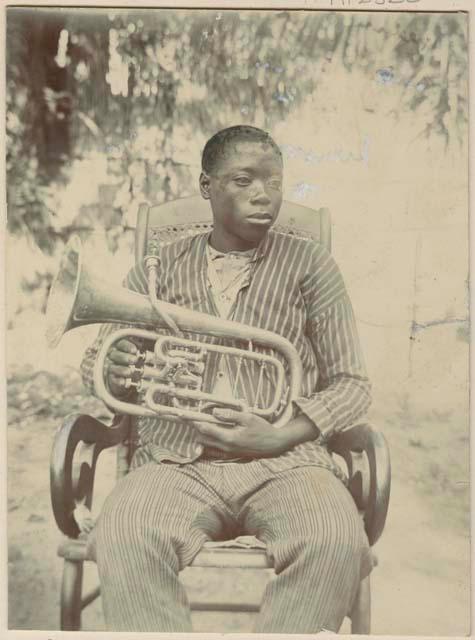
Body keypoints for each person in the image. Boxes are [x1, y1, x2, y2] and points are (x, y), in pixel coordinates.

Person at [81, 125, 373, 633]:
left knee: (335, 538)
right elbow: (98, 359)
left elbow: (352, 384)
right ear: (206, 186)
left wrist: (280, 434)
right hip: (174, 463)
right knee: (124, 531)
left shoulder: (311, 263)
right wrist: (113, 366)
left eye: (274, 181)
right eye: (243, 180)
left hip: (289, 463)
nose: (264, 195)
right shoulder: (156, 267)